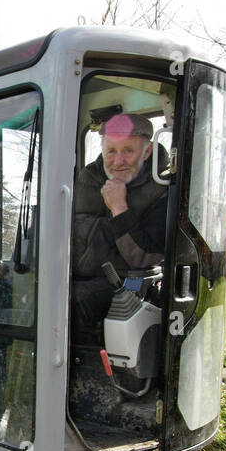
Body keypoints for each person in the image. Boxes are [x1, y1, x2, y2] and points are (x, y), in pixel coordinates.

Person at [69, 112, 168, 345]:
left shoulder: (162, 189)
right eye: (111, 151)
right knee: (4, 290)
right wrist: (20, 265)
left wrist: (119, 209)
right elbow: (53, 223)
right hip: (74, 277)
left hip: (127, 282)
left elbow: (144, 258)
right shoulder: (86, 179)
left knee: (71, 303)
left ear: (148, 151)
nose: (118, 161)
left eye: (128, 151)